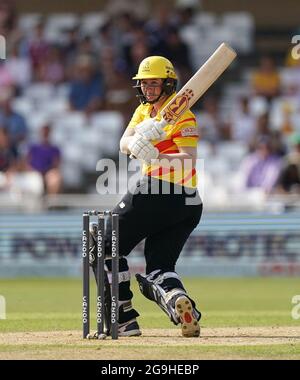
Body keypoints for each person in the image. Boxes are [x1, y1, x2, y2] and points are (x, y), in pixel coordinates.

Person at [89, 56, 202, 337]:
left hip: (160, 190)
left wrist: (155, 154)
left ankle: (123, 319)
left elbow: (189, 160)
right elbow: (123, 143)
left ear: (168, 83)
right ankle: (177, 300)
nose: (148, 88)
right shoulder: (143, 111)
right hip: (188, 204)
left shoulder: (184, 116)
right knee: (160, 266)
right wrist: (138, 138)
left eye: (154, 83)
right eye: (144, 83)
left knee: (104, 244)